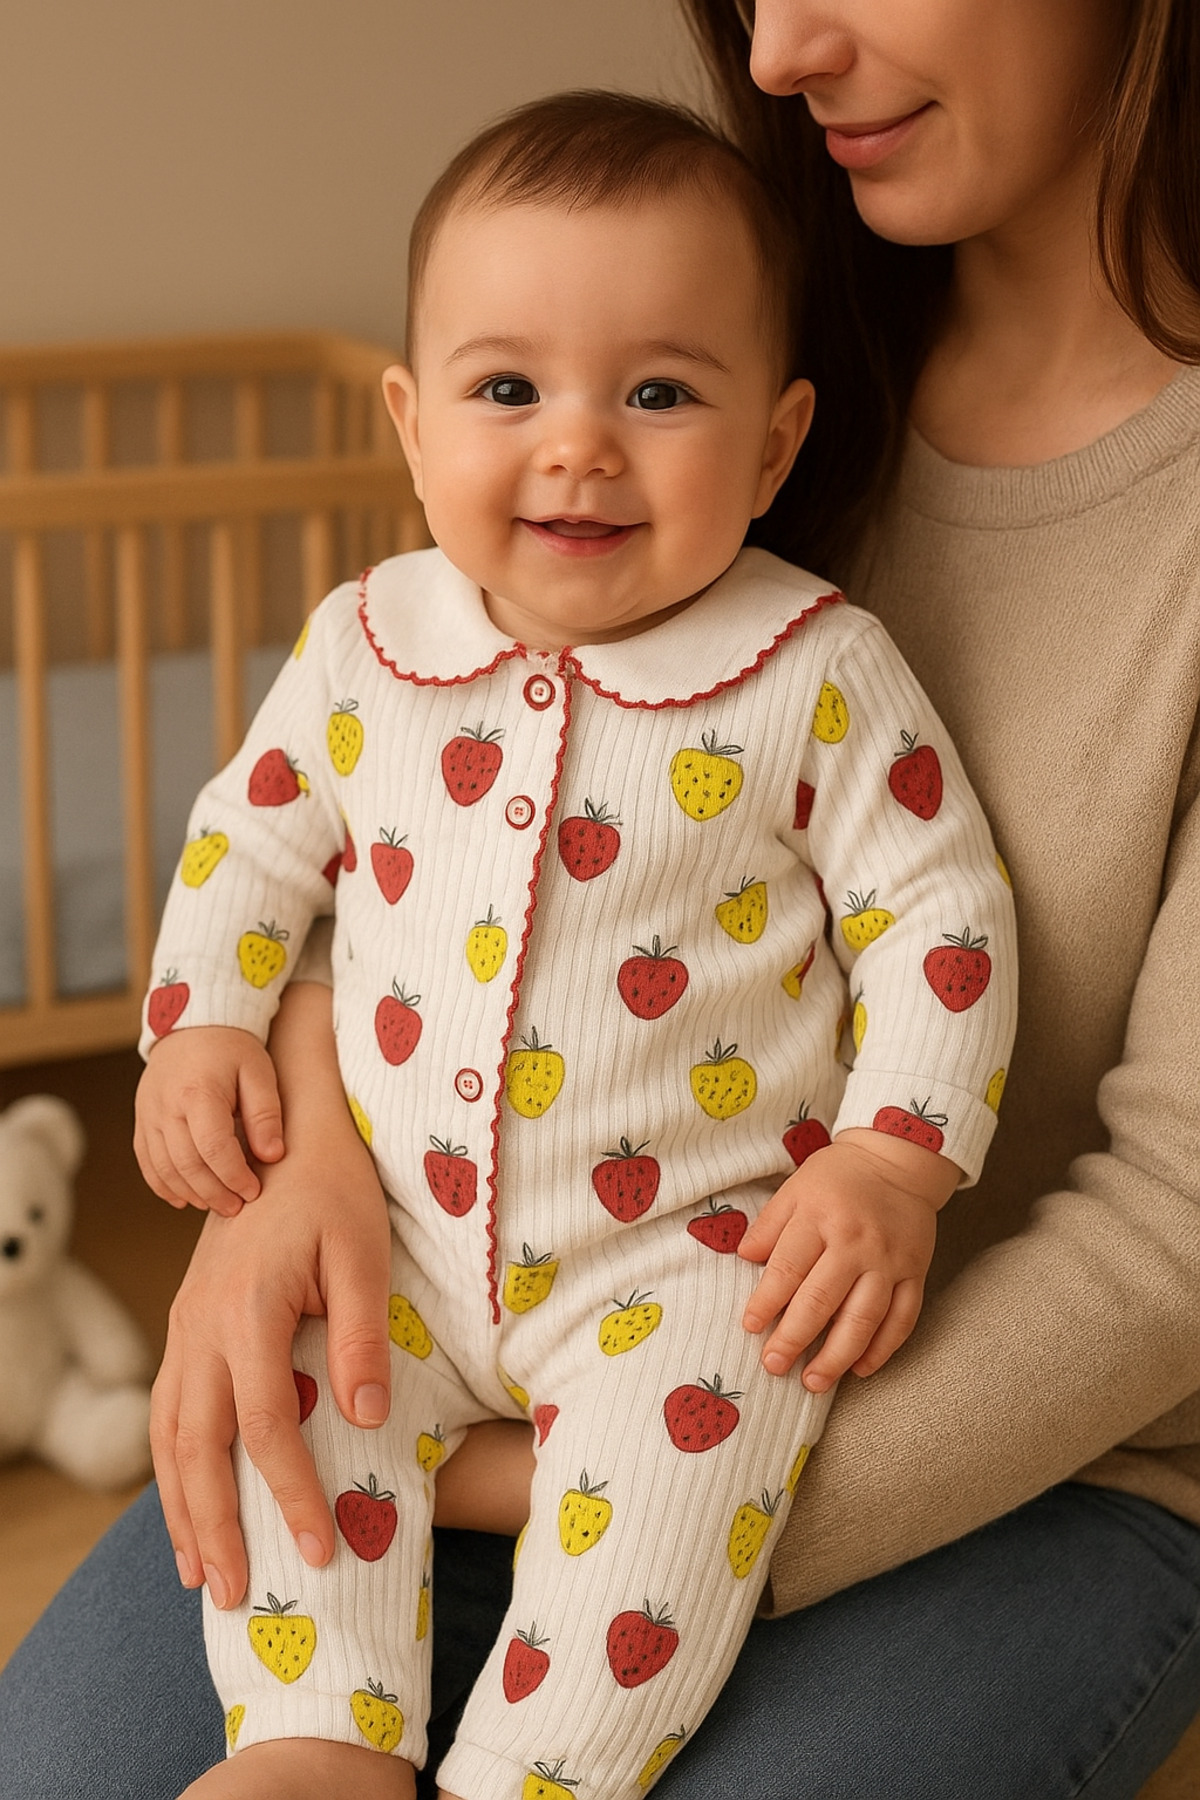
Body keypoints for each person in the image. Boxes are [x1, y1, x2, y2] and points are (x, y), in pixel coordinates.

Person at [2, 1, 1199, 1796]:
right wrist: (276, 1135)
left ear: (770, 443)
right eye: (507, 392)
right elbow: (299, 846)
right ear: (415, 420)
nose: (780, 49)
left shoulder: (805, 648)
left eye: (654, 396)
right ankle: (322, 1729)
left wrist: (884, 1169)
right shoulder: (433, 585)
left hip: (797, 1368)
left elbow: (988, 982)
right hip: (422, 1287)